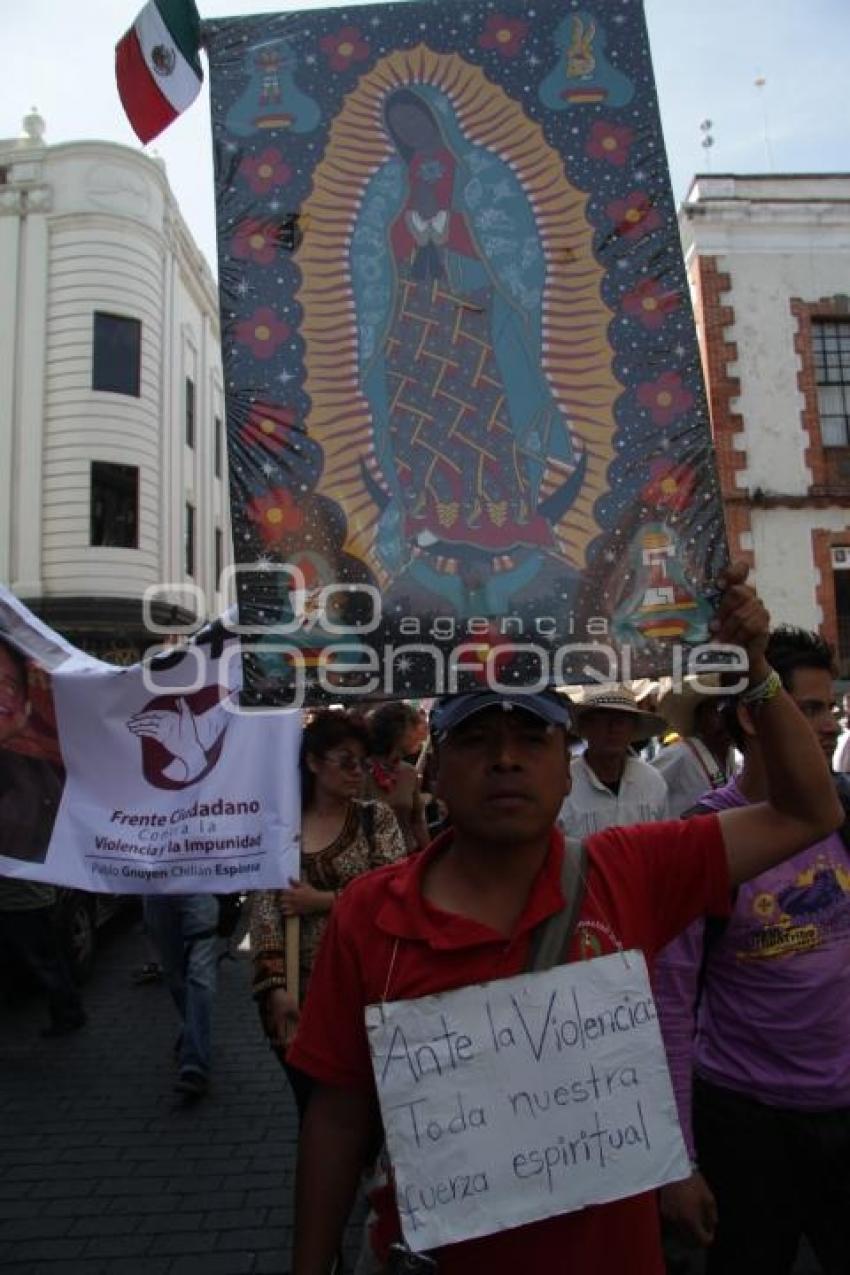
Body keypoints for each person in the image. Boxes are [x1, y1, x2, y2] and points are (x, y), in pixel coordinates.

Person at [286, 565, 842, 1275]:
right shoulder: (368, 913)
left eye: (532, 735)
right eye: (478, 737)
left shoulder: (630, 871)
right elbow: (336, 1117)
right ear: (437, 769)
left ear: (562, 762)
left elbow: (810, 811)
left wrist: (757, 666)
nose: (507, 758)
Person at [655, 626, 849, 1275]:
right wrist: (679, 1161)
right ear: (752, 713)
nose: (827, 724)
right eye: (810, 708)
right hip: (746, 1122)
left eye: (831, 708)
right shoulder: (704, 840)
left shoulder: (844, 814)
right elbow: (672, 1008)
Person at [250, 709, 406, 1120]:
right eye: (345, 760)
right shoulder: (282, 828)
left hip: (367, 989)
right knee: (314, 1112)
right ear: (314, 762)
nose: (357, 772)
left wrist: (323, 901)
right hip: (298, 997)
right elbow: (264, 910)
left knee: (370, 1113)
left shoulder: (377, 820)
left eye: (363, 761)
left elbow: (392, 892)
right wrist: (276, 989)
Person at [558, 683, 669, 837]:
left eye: (621, 720)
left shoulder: (652, 781)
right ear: (586, 726)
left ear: (632, 728)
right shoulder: (561, 787)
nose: (613, 728)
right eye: (603, 718)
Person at [143, 892, 220, 1100]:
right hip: (158, 893)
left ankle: (194, 1064)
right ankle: (191, 1029)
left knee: (199, 976)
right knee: (174, 974)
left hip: (199, 889)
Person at [0, 636, 63, 865]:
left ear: (26, 706)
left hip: (29, 894)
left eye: (11, 685)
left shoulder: (39, 765)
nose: (4, 694)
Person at [0, 876, 86, 1037]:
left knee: (47, 965)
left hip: (21, 903)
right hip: (37, 900)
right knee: (50, 962)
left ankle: (69, 1015)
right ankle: (70, 1012)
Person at [652, 677, 736, 817]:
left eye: (726, 710)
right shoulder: (680, 754)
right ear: (699, 719)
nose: (723, 718)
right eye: (716, 710)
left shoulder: (731, 755)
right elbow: (643, 790)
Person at [362, 703, 429, 854]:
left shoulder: (409, 773)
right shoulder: (360, 771)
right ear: (396, 731)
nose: (418, 731)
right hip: (371, 865)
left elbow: (417, 822)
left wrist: (428, 857)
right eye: (412, 726)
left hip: (406, 860)